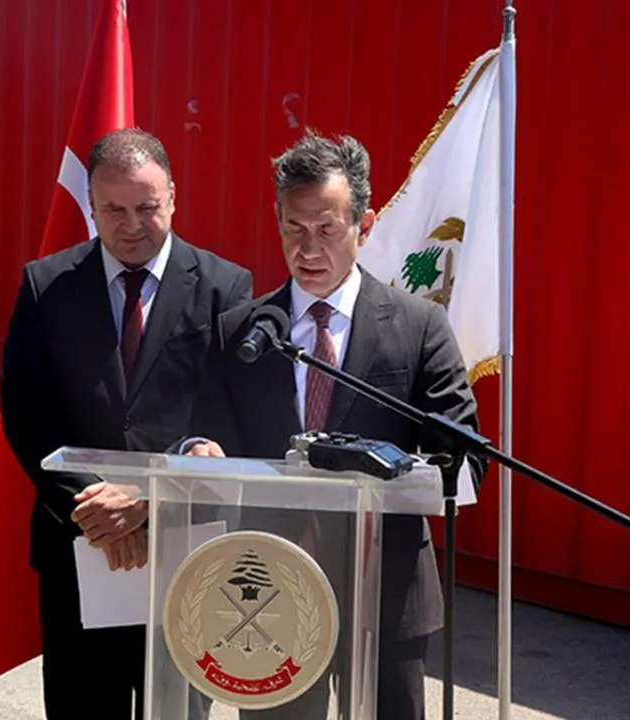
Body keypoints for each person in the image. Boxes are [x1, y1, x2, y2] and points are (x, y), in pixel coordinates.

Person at [183, 129, 486, 719]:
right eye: (294, 229)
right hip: (271, 589)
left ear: (363, 226)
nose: (308, 249)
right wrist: (199, 449)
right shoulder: (243, 331)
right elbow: (205, 432)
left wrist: (414, 472)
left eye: (326, 229)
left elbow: (465, 456)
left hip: (387, 592)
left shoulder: (418, 326)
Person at [0, 127, 253, 720]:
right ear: (91, 205)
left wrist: (146, 502)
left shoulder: (226, 287)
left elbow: (230, 416)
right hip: (78, 544)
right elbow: (28, 413)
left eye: (147, 207)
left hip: (184, 553)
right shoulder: (47, 285)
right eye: (113, 209)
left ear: (173, 198)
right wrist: (98, 512)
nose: (132, 225)